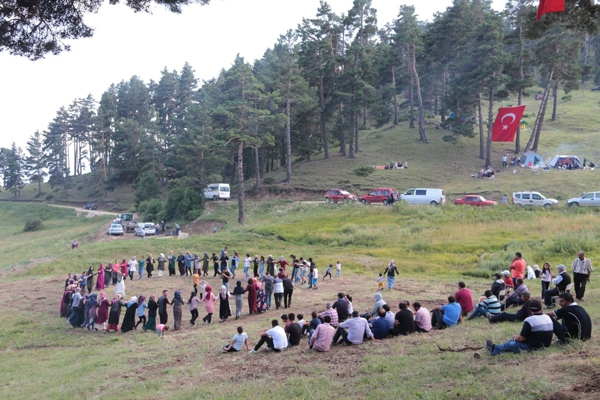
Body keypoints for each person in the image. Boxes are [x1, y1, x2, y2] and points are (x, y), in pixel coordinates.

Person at [485, 300, 553, 356]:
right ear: (541, 309)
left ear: (530, 309)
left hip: (532, 347)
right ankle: (499, 352)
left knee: (510, 343)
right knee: (511, 347)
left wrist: (515, 338)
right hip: (545, 346)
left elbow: (521, 338)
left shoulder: (529, 320)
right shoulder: (548, 317)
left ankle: (494, 348)